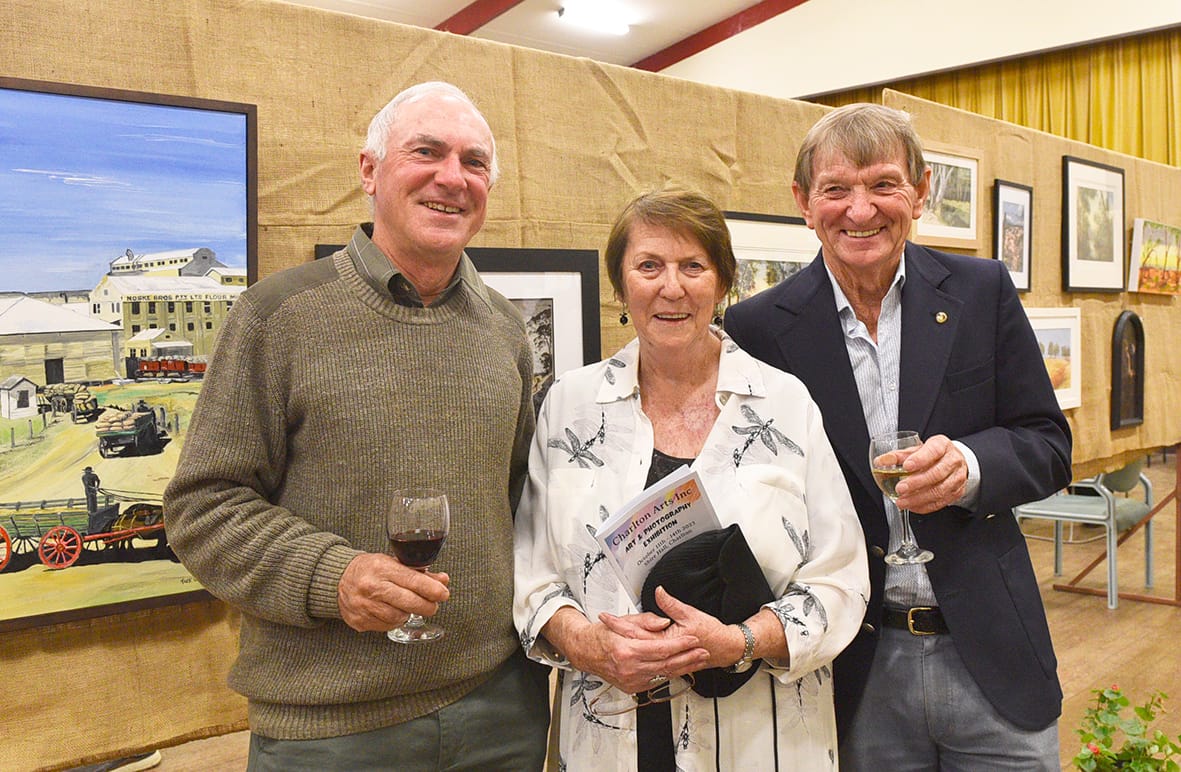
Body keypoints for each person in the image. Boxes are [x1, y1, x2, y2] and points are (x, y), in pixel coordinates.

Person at [164, 81, 549, 771]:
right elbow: (202, 509)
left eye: (473, 162)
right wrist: (332, 576)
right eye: (425, 152)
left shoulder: (504, 331)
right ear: (369, 171)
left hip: (501, 711)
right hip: (331, 731)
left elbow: (522, 505)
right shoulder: (277, 317)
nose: (452, 177)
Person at [725, 103, 1072, 770]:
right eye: (835, 189)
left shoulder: (981, 291)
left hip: (992, 655)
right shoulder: (758, 329)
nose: (860, 210)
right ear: (802, 202)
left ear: (920, 191)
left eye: (883, 184)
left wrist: (970, 465)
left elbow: (1047, 443)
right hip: (851, 668)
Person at [513, 187, 869, 770]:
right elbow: (532, 574)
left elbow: (841, 576)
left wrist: (742, 641)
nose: (672, 287)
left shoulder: (785, 403)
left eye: (693, 266)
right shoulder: (569, 407)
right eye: (649, 266)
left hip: (760, 736)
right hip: (610, 729)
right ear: (621, 284)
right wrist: (590, 645)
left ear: (722, 282)